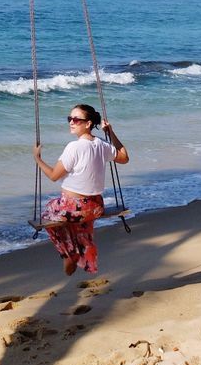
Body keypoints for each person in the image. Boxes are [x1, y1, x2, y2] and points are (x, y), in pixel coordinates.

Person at [33, 104, 129, 276]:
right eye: (70, 119)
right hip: (95, 207)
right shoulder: (102, 144)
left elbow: (54, 176)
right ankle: (80, 253)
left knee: (48, 213)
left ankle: (68, 253)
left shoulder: (74, 147)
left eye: (76, 120)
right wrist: (110, 132)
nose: (71, 122)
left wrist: (37, 159)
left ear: (88, 123)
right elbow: (124, 157)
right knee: (75, 222)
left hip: (74, 208)